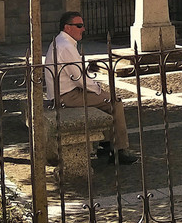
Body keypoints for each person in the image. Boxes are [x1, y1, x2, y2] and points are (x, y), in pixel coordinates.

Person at [43, 11, 137, 165]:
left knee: (105, 100)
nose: (83, 29)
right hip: (66, 96)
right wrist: (98, 89)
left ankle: (105, 145)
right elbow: (80, 78)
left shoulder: (60, 42)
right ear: (67, 27)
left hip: (64, 92)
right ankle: (119, 150)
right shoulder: (66, 46)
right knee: (115, 101)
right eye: (79, 25)